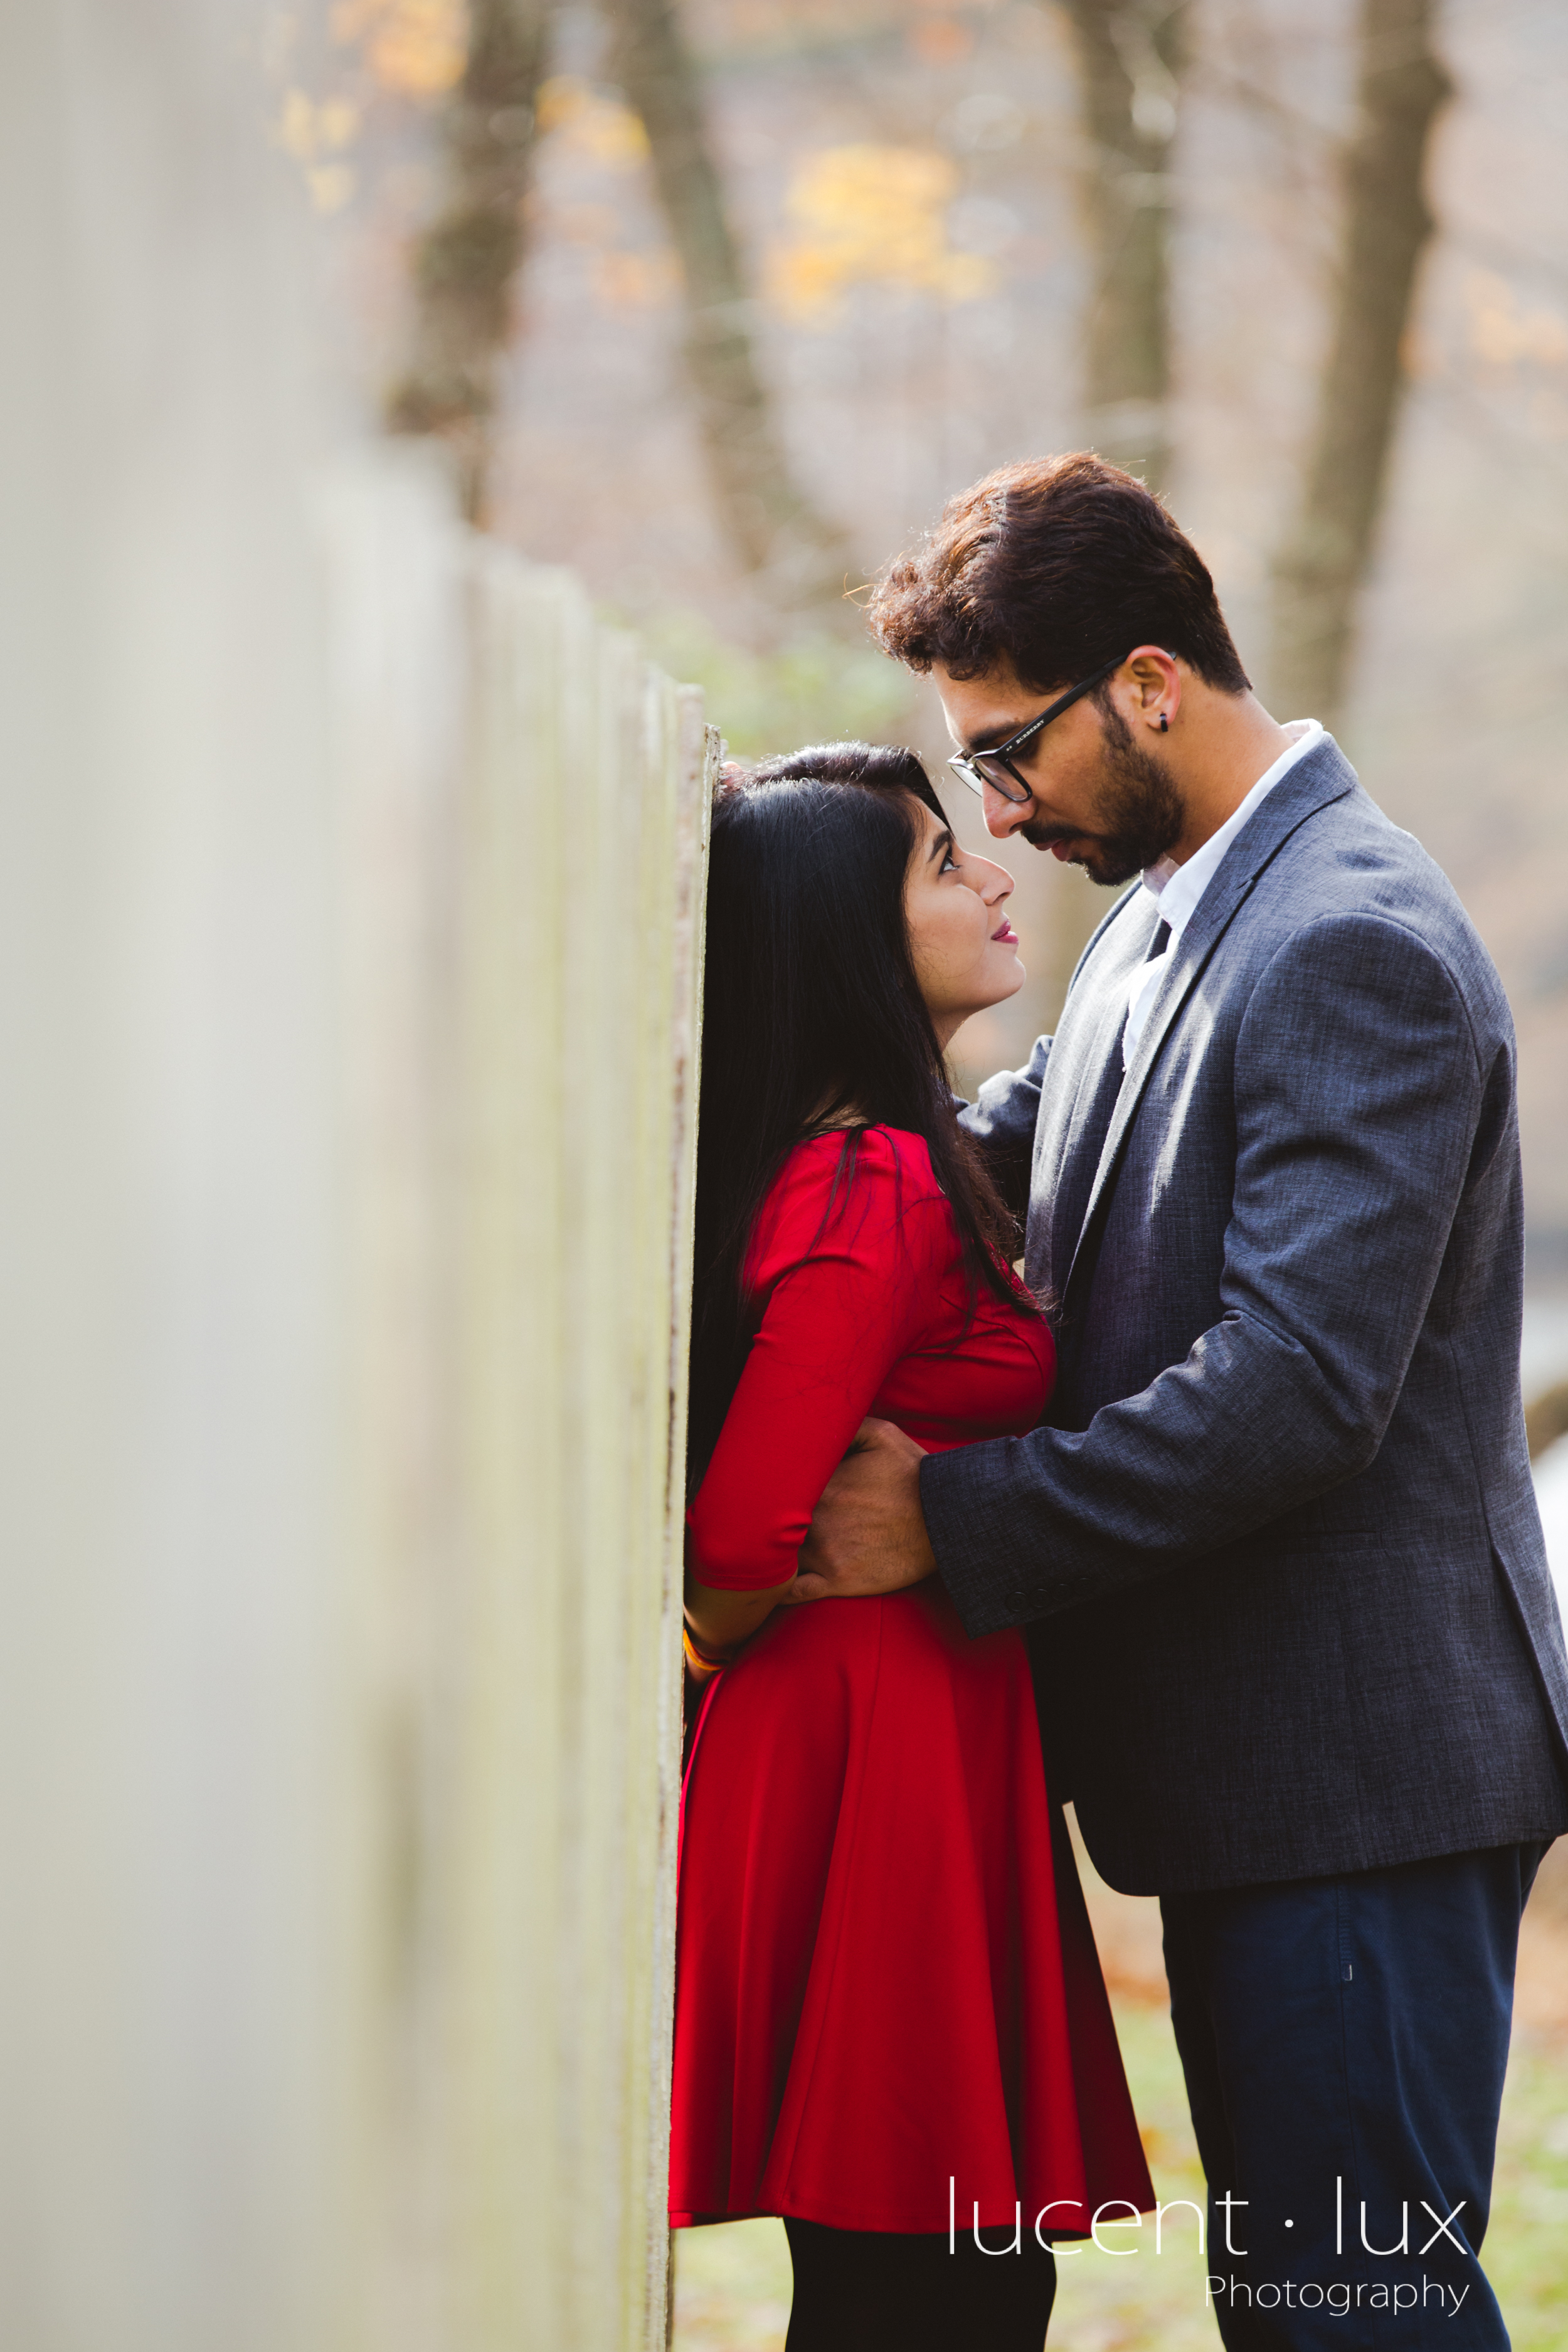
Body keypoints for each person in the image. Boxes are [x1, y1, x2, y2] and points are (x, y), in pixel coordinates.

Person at [793, 455, 1568, 2349]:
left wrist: (948, 1518)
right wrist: (783, 1168)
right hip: (1264, 1776)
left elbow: (1298, 1385)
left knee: (1351, 2311)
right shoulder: (1175, 905)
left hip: (1358, 1780)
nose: (996, 804)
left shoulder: (1344, 935)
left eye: (1006, 750)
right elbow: (1014, 1154)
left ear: (1146, 681)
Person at [669, 744, 1153, 2352]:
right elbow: (741, 1527)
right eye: (947, 863)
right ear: (845, 940)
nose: (997, 872)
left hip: (908, 1740)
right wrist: (712, 1652)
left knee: (942, 2272)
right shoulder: (872, 1175)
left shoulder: (898, 1150)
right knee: (932, 2282)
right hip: (872, 1756)